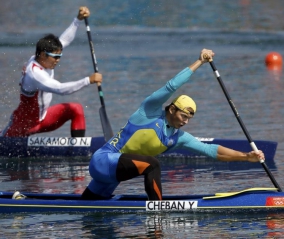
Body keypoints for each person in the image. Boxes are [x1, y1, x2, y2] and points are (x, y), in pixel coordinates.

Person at [81, 49, 265, 201]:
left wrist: (246, 157)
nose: (185, 121)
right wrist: (199, 62)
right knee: (152, 165)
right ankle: (158, 213)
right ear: (171, 109)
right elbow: (171, 86)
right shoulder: (148, 111)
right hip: (103, 160)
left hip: (111, 177)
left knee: (88, 208)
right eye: (183, 116)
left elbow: (211, 151)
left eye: (189, 119)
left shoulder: (178, 137)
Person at [1, 6, 102, 138]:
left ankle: (79, 150)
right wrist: (88, 80)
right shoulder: (35, 74)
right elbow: (60, 89)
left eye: (59, 56)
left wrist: (77, 20)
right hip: (23, 125)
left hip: (43, 119)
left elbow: (65, 40)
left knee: (76, 109)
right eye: (55, 57)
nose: (58, 60)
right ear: (43, 55)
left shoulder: (43, 56)